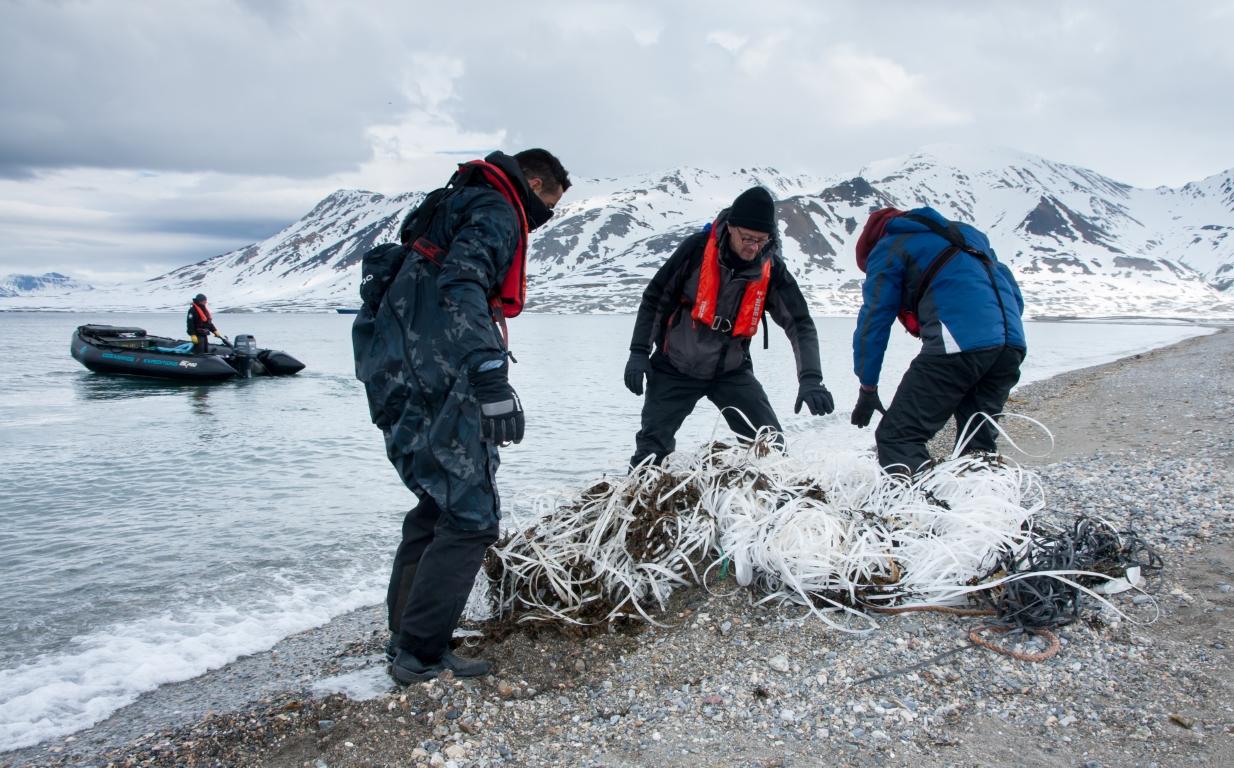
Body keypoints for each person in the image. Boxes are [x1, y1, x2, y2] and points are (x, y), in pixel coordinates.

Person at [352, 148, 570, 684]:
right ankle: (421, 654)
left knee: (435, 502)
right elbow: (463, 282)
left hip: (395, 370)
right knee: (471, 517)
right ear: (533, 181)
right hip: (439, 375)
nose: (545, 216)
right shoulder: (496, 210)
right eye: (548, 202)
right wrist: (489, 373)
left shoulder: (451, 203)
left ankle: (406, 636)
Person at [623, 186, 834, 467]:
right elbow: (654, 298)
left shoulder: (772, 269)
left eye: (761, 240)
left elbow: (801, 324)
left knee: (770, 448)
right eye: (747, 238)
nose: (753, 247)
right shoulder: (696, 251)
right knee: (651, 452)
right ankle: (636, 505)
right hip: (675, 367)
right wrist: (639, 351)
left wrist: (811, 378)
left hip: (731, 371)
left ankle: (777, 507)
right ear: (730, 228)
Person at [850, 206, 1027, 473]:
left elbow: (874, 319)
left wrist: (868, 386)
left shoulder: (890, 246)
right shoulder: (968, 239)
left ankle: (924, 511)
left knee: (898, 437)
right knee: (977, 443)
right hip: (1011, 345)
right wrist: (991, 339)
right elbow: (1013, 293)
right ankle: (985, 509)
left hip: (958, 344)